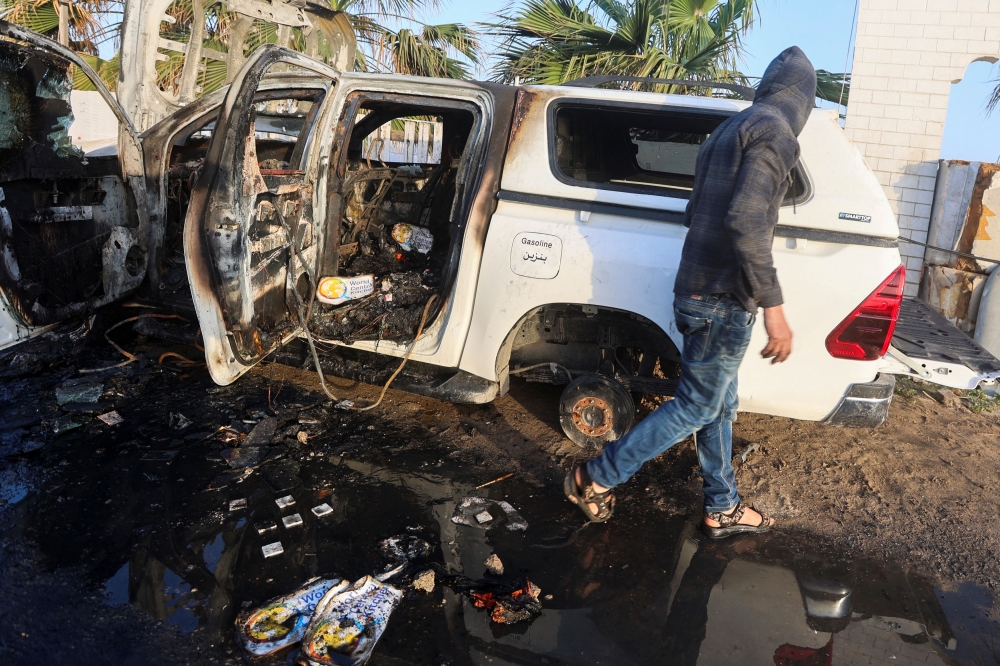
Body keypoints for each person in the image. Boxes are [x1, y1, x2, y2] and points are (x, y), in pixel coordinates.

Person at [564, 46, 817, 539]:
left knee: (717, 404)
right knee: (699, 406)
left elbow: (696, 210)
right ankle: (594, 476)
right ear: (803, 97)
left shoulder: (729, 128)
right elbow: (746, 220)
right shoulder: (776, 134)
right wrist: (775, 308)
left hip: (695, 291)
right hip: (723, 301)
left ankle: (722, 506)